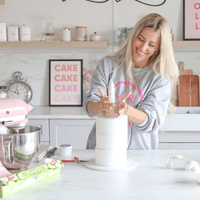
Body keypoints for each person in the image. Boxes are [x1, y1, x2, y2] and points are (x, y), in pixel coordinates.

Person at [83, 13, 179, 150]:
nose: (143, 48)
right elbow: (89, 106)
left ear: (158, 48)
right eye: (141, 39)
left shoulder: (160, 78)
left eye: (151, 45)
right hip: (101, 149)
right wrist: (99, 106)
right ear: (134, 36)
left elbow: (151, 121)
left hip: (139, 154)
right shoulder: (107, 65)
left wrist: (126, 110)